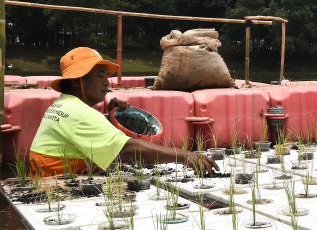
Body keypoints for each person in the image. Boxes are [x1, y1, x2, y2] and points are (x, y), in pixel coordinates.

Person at [28, 47, 218, 176]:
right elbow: (127, 149)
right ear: (76, 81)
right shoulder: (79, 113)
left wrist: (110, 116)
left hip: (46, 180)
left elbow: (84, 133)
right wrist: (185, 156)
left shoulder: (64, 104)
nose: (106, 82)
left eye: (107, 76)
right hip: (55, 187)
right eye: (99, 76)